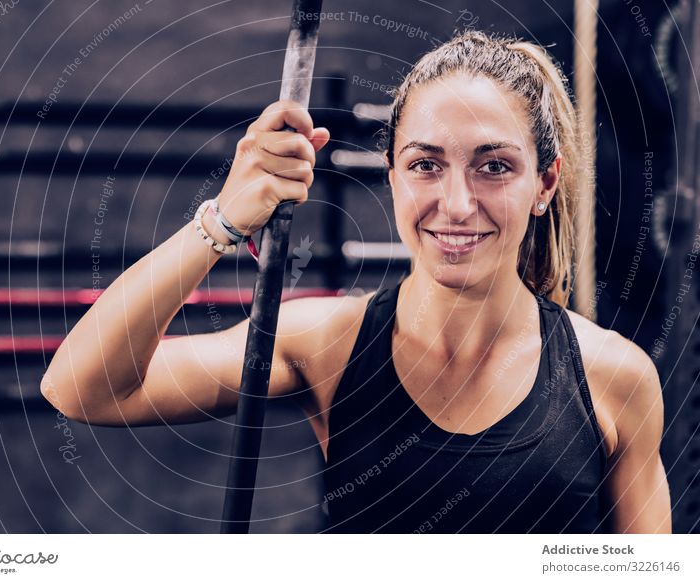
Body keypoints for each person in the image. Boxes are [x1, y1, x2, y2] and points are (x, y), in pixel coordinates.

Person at [41, 30, 671, 533]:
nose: (456, 203)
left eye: (494, 166)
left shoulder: (613, 378)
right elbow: (82, 389)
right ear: (393, 177)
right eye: (425, 164)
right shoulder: (328, 344)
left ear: (545, 183)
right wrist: (224, 219)